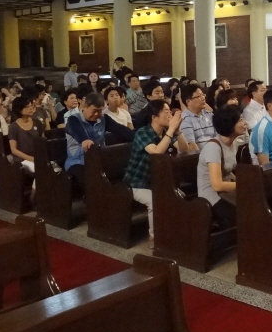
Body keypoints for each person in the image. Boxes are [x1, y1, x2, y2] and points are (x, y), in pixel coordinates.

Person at [124, 100, 189, 247]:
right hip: (136, 183)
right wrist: (171, 131)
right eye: (166, 112)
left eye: (170, 111)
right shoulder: (143, 133)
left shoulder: (166, 133)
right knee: (155, 201)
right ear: (154, 117)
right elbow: (156, 153)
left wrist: (178, 131)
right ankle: (155, 238)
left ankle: (173, 232)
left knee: (180, 196)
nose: (170, 115)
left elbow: (185, 149)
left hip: (156, 183)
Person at [64, 92, 135, 196]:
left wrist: (138, 138)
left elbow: (120, 129)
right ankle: (95, 201)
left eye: (100, 111)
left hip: (100, 159)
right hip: (78, 161)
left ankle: (121, 198)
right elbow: (78, 132)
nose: (97, 114)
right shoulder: (73, 119)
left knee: (125, 171)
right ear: (85, 106)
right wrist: (84, 140)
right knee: (90, 180)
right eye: (94, 111)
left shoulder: (103, 118)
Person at [197, 104, 247, 230]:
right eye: (241, 120)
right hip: (211, 196)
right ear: (230, 124)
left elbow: (228, 171)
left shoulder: (233, 143)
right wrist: (244, 184)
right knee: (245, 213)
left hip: (225, 191)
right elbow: (217, 185)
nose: (245, 123)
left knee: (254, 203)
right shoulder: (213, 147)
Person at [8, 96, 45, 196]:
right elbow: (14, 150)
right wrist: (31, 158)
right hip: (22, 159)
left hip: (37, 157)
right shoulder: (14, 126)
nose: (31, 108)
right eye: (27, 106)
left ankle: (45, 197)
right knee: (41, 170)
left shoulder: (37, 122)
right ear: (19, 109)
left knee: (54, 169)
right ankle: (33, 198)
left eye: (31, 106)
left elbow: (43, 141)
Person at [180, 83, 215, 151]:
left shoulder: (209, 115)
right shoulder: (184, 119)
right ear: (189, 101)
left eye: (203, 95)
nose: (203, 98)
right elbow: (191, 147)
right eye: (199, 96)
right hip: (199, 155)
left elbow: (219, 137)